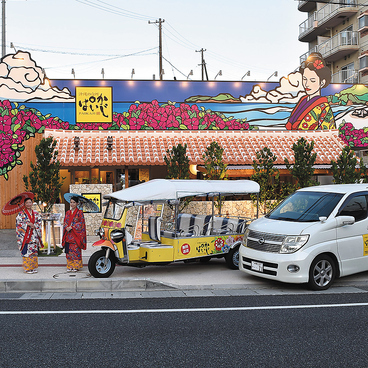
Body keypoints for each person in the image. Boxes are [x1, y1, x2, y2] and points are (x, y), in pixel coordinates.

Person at [286, 53, 335, 130]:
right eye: (305, 79)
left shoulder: (324, 107)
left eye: (312, 80)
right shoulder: (303, 100)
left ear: (322, 83)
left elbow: (328, 131)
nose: (306, 84)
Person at [15, 197, 42, 274]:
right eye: (27, 203)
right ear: (24, 204)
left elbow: (39, 222)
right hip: (26, 237)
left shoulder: (36, 213)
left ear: (32, 203)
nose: (28, 204)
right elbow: (18, 224)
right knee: (27, 252)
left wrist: (35, 225)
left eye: (30, 202)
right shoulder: (21, 214)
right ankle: (27, 268)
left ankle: (33, 267)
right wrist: (27, 224)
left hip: (33, 236)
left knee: (33, 252)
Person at [62, 196, 87, 272]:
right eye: (71, 202)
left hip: (76, 235)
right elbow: (65, 221)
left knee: (75, 251)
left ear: (77, 203)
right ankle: (70, 266)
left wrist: (72, 227)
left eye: (74, 202)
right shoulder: (68, 212)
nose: (72, 204)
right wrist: (66, 227)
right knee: (69, 251)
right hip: (68, 235)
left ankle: (76, 266)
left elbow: (81, 223)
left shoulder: (80, 212)